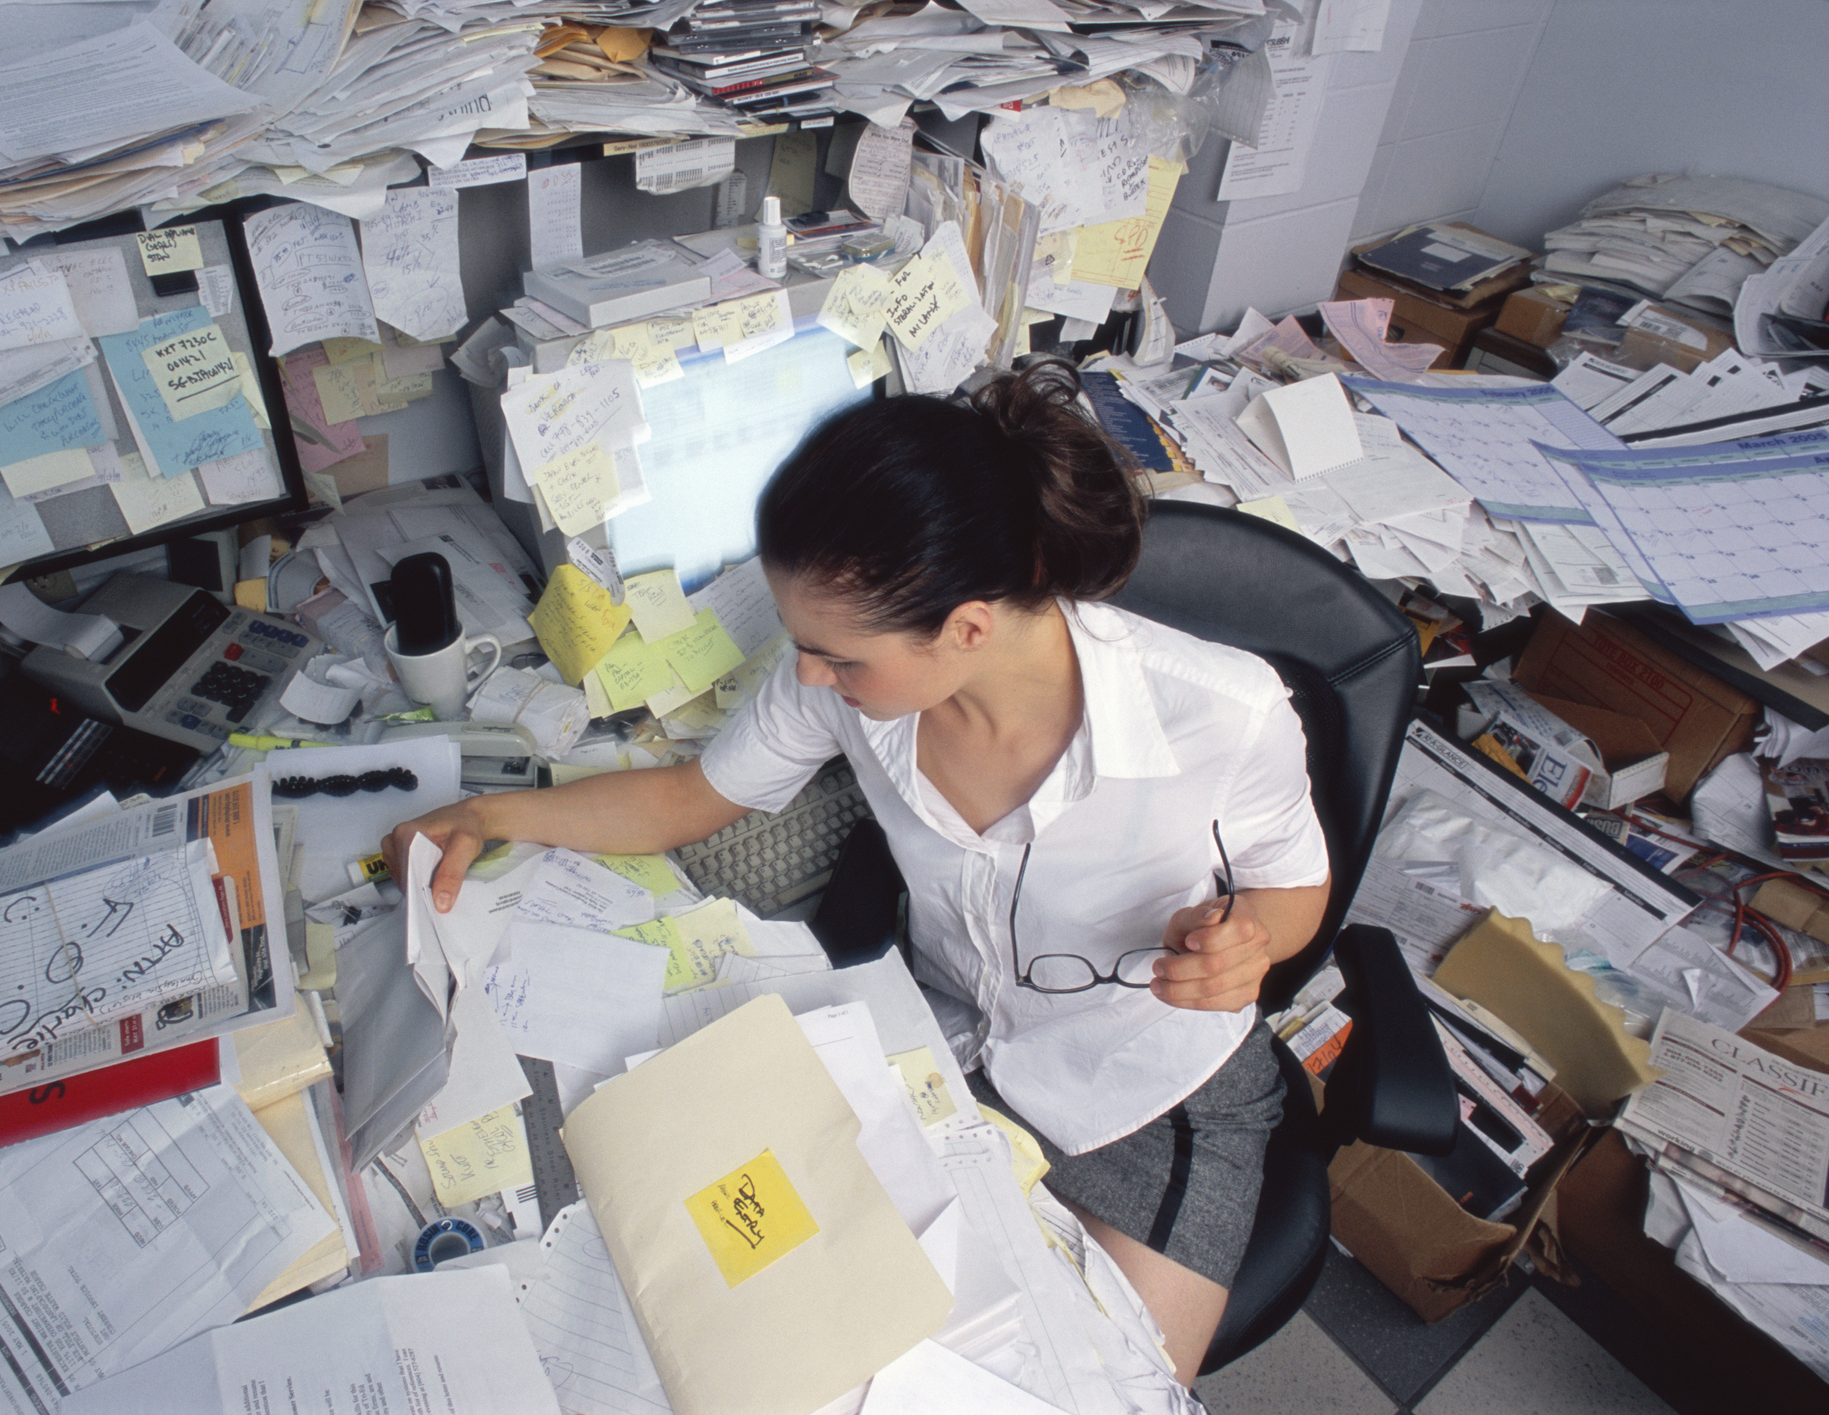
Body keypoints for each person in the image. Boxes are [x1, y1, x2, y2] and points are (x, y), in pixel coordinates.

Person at [384, 359, 1330, 1384]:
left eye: (838, 656)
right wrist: (488, 812)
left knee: (1111, 1387)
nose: (809, 675)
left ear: (967, 626)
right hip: (947, 1036)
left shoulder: (1222, 710)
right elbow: (686, 800)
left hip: (1150, 1093)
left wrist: (1251, 943)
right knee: (808, 1344)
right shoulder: (843, 687)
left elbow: (1294, 887)